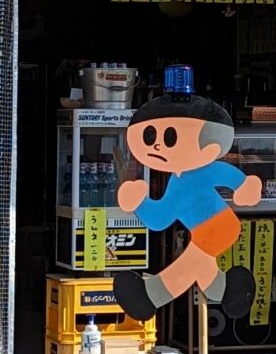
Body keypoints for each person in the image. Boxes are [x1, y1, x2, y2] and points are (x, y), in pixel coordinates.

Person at [112, 70, 261, 323]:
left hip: (220, 226)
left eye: (169, 137)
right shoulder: (176, 182)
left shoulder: (202, 171)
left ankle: (150, 296)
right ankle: (230, 289)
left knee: (190, 263)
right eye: (151, 137)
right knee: (201, 268)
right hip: (210, 231)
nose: (158, 145)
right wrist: (139, 202)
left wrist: (245, 187)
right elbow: (160, 218)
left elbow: (231, 177)